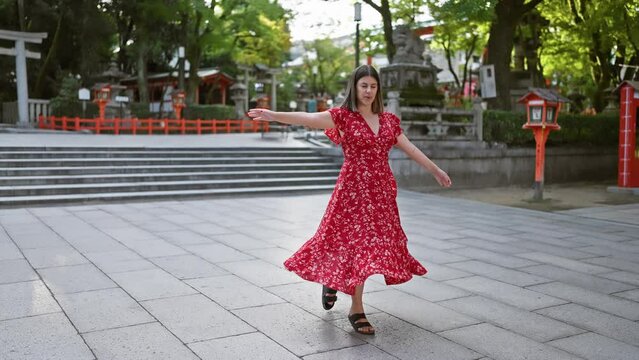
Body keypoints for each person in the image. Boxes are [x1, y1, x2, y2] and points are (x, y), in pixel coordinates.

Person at [248, 65, 451, 335]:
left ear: (378, 89)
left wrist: (435, 170)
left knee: (370, 246)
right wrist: (272, 115)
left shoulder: (389, 120)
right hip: (352, 192)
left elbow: (410, 147)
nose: (368, 91)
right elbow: (307, 118)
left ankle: (335, 283)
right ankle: (356, 308)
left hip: (380, 194)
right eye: (363, 85)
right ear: (354, 88)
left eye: (373, 86)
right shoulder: (343, 117)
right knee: (352, 245)